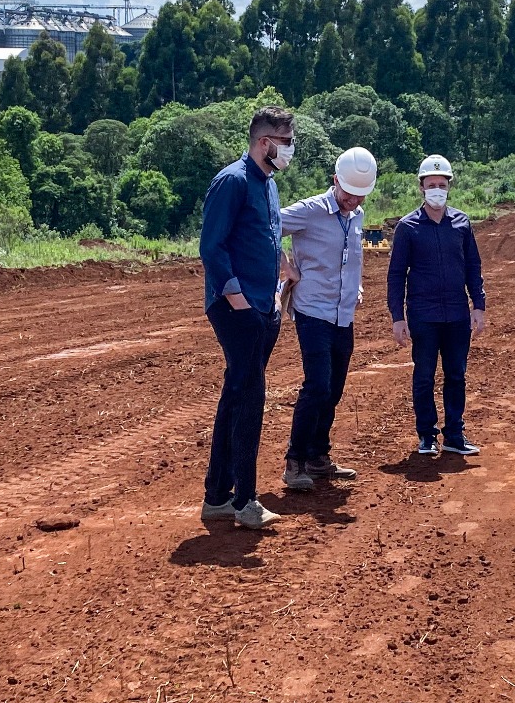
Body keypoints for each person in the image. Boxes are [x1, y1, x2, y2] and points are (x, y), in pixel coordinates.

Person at [197, 106, 293, 530]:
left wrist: (282, 272)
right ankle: (245, 501)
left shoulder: (267, 184)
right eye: (286, 142)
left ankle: (217, 497)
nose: (290, 150)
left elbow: (268, 237)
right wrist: (239, 302)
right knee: (251, 397)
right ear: (264, 142)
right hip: (238, 308)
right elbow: (211, 248)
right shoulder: (232, 181)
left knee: (237, 394)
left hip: (261, 304)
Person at [278, 146, 376, 492]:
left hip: (343, 315)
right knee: (317, 385)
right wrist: (285, 265)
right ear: (335, 181)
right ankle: (294, 460)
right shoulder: (310, 210)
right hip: (312, 312)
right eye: (349, 193)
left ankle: (318, 456)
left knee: (333, 389)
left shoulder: (357, 215)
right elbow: (265, 225)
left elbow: (351, 259)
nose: (353, 200)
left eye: (361, 195)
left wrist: (356, 286)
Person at [386, 154, 487, 456]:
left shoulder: (461, 223)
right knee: (425, 374)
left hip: (457, 314)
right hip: (423, 316)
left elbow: (473, 265)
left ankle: (454, 435)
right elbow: (395, 274)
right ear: (421, 187)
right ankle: (427, 435)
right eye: (431, 185)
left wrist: (478, 305)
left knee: (456, 375)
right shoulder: (407, 227)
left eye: (442, 184)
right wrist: (397, 317)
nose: (437, 190)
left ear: (449, 186)